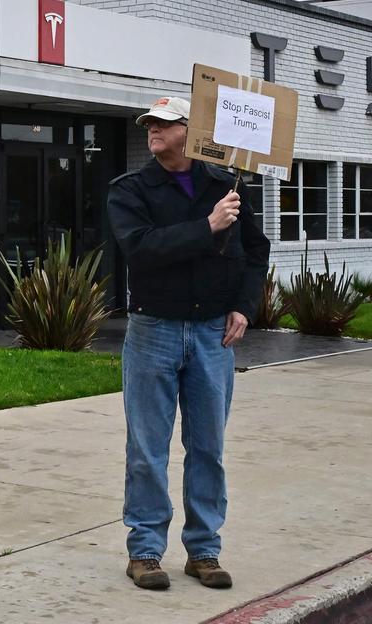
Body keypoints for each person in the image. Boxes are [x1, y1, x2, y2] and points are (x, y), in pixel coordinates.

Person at [106, 96, 270, 591]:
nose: (153, 130)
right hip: (153, 330)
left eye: (164, 123)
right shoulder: (130, 190)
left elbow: (255, 253)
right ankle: (146, 552)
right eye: (149, 124)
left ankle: (204, 550)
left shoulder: (230, 187)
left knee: (208, 448)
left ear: (192, 131)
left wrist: (245, 306)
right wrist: (207, 227)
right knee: (147, 449)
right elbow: (142, 249)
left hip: (212, 334)